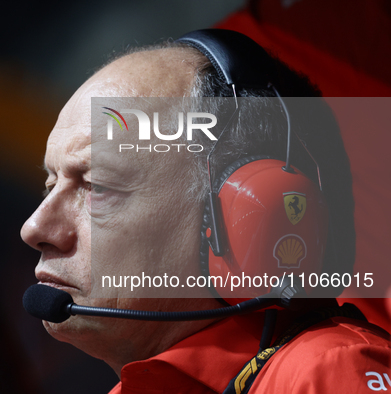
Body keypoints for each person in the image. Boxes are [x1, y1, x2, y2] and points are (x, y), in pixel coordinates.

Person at [21, 30, 391, 393]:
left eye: (98, 186)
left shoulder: (329, 373)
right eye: (51, 185)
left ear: (247, 216)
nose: (35, 226)